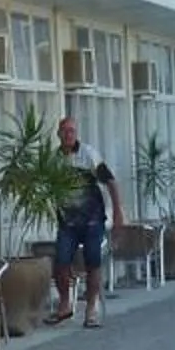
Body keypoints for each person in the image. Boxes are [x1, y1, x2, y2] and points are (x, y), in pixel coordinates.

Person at [50, 116, 122, 328]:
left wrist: (118, 211)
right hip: (68, 222)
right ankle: (65, 303)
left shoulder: (89, 155)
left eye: (72, 131)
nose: (68, 135)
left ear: (76, 133)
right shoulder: (53, 160)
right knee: (61, 262)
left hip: (92, 220)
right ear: (58, 134)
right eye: (64, 131)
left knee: (93, 262)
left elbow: (110, 181)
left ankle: (92, 307)